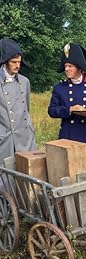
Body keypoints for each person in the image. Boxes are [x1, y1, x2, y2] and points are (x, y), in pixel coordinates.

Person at [48, 43, 86, 166]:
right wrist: (69, 109)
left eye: (70, 66)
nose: (67, 69)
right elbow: (52, 110)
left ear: (79, 67)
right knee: (66, 169)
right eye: (65, 66)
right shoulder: (59, 88)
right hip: (67, 133)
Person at [0, 38, 36, 166]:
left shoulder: (25, 81)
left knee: (27, 175)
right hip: (5, 139)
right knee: (5, 178)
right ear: (5, 62)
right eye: (14, 62)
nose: (17, 66)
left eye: (19, 62)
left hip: (25, 137)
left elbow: (26, 108)